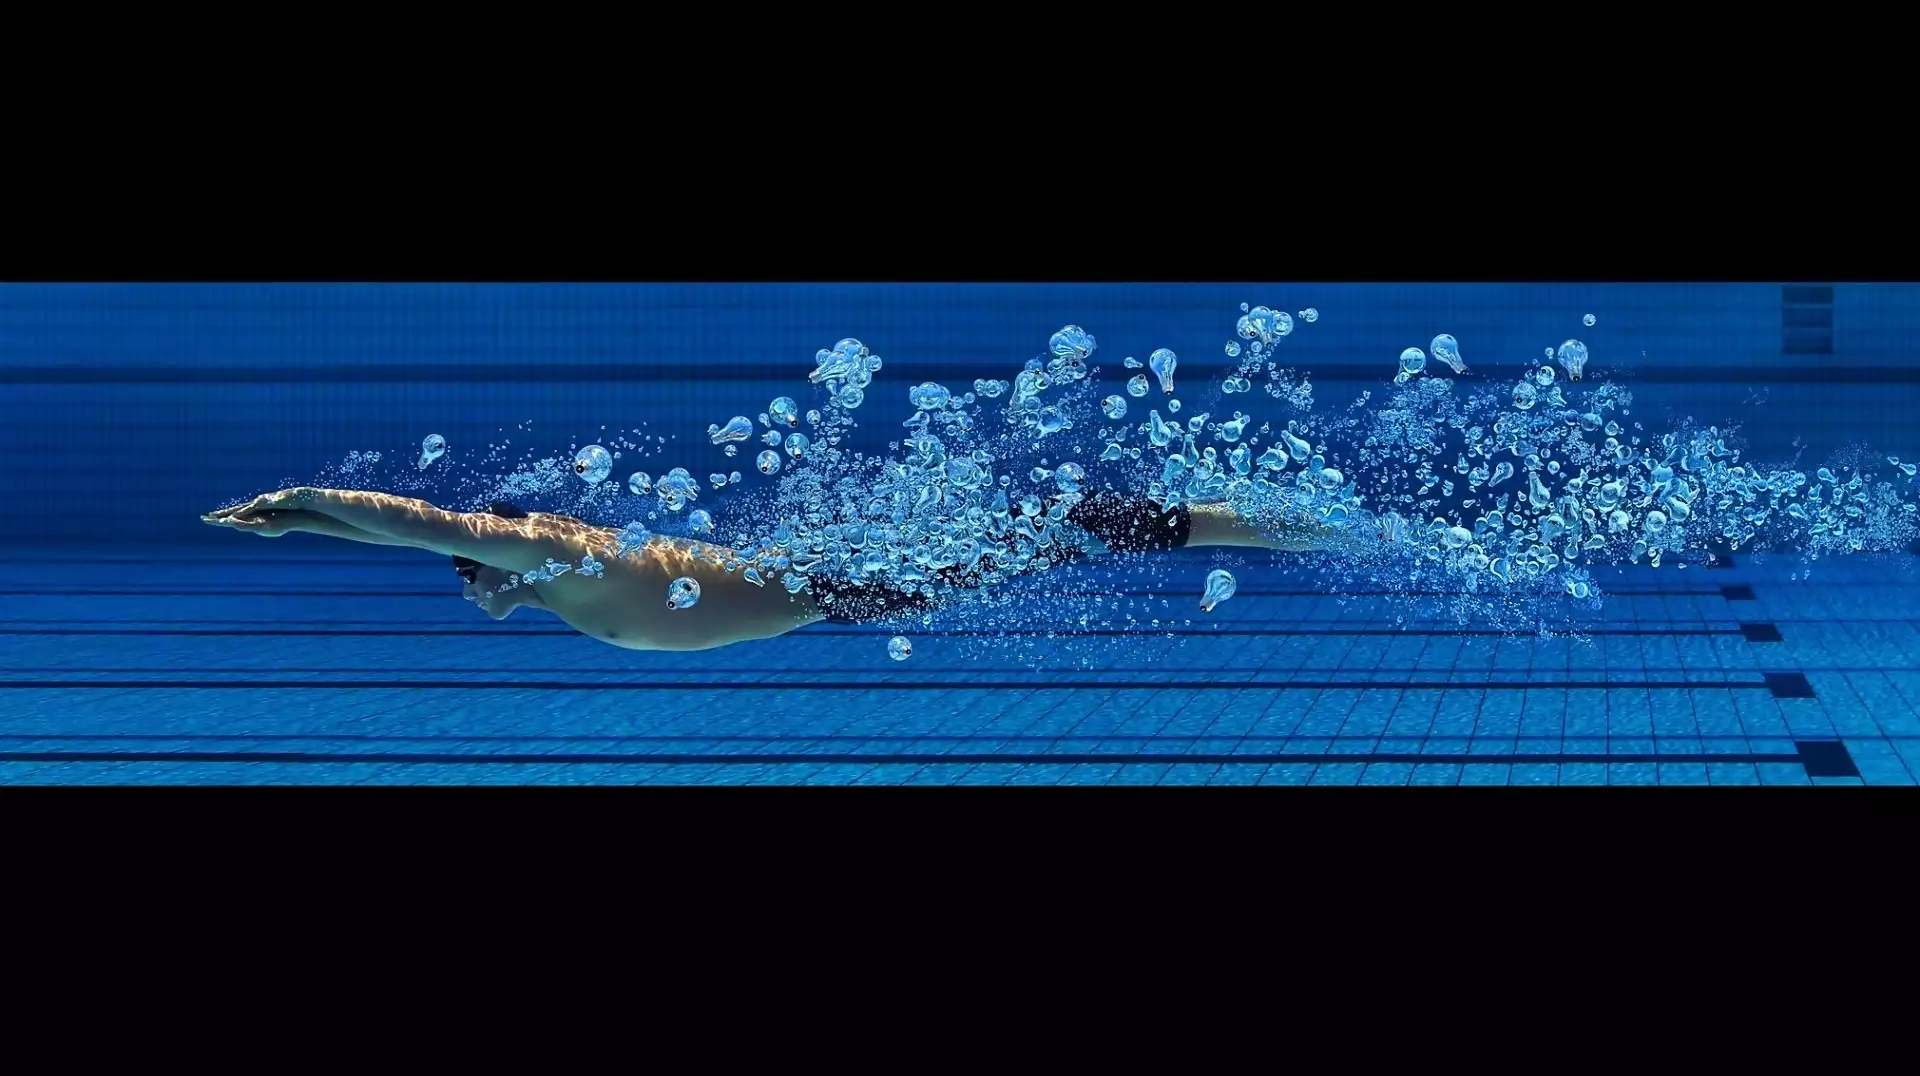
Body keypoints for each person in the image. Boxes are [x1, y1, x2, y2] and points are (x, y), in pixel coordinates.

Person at [202, 485, 1333, 652]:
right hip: (832, 584)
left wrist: (307, 500)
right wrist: (302, 529)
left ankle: (1277, 523)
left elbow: (417, 522)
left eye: (468, 575)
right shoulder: (541, 577)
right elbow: (416, 538)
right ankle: (1266, 520)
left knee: (1058, 530)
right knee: (1048, 531)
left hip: (841, 584)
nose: (475, 595)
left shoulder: (541, 551)